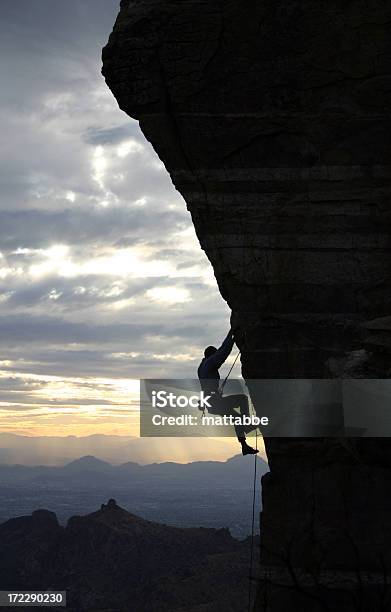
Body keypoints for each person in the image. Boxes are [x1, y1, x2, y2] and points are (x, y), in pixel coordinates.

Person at [198, 329, 259, 455]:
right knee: (242, 399)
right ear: (210, 355)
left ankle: (244, 446)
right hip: (214, 402)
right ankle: (247, 425)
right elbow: (222, 353)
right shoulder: (209, 363)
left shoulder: (202, 367)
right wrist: (232, 337)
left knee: (237, 418)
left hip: (212, 403)